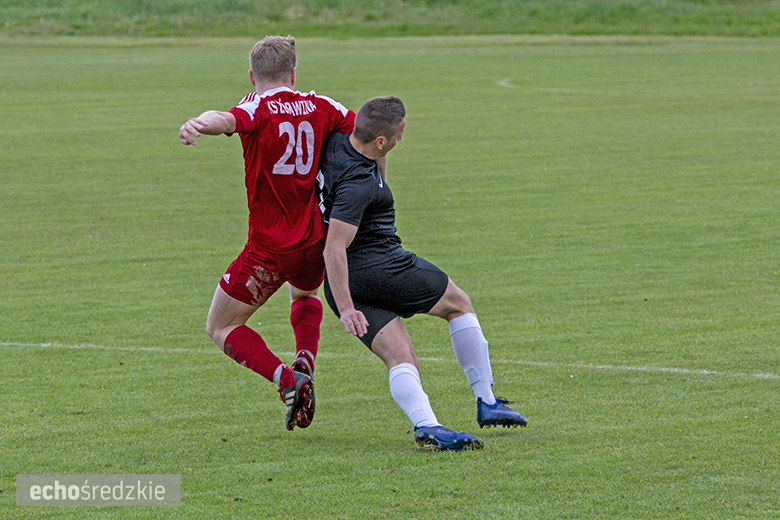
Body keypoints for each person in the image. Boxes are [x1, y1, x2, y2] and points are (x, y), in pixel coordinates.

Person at [318, 96, 527, 451]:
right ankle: (487, 400)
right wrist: (348, 308)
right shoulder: (359, 185)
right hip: (384, 267)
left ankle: (427, 425)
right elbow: (333, 248)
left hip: (344, 283)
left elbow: (372, 156)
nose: (400, 139)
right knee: (458, 304)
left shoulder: (337, 143)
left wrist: (344, 302)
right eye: (397, 136)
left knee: (400, 356)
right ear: (379, 141)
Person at [178, 36, 356, 431]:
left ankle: (287, 379)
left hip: (270, 250)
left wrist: (197, 123)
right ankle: (305, 358)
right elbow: (361, 130)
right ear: (293, 73)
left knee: (220, 327)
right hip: (316, 242)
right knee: (305, 295)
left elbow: (224, 119)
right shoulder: (323, 105)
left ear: (251, 76)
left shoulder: (256, 108)